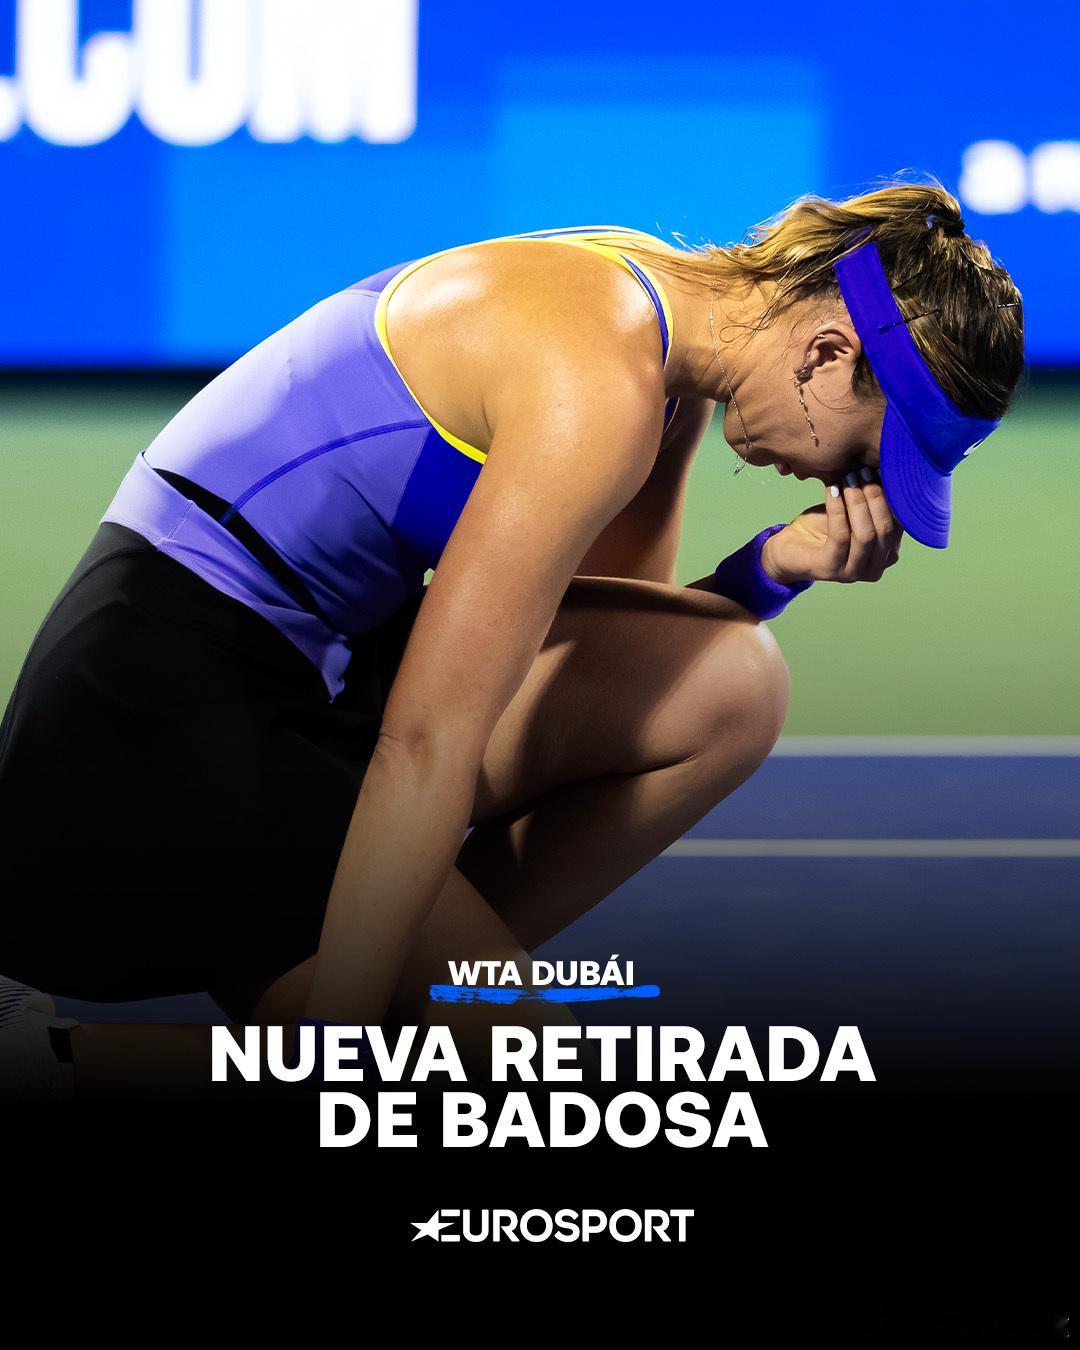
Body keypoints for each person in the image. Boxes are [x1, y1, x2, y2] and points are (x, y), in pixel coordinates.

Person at [0, 178, 1024, 1100]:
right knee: (512, 1081)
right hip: (147, 728)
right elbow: (427, 745)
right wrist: (346, 1054)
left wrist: (770, 571)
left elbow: (602, 660)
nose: (854, 483)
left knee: (731, 684)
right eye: (872, 450)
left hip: (302, 686)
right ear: (828, 353)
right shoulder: (598, 381)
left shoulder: (658, 336)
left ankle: (387, 1005)